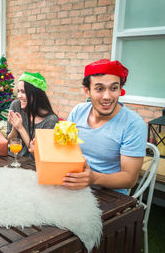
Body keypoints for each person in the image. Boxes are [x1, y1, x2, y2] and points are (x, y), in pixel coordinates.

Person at [63, 59, 147, 194]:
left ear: (120, 90)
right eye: (99, 89)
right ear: (87, 91)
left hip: (110, 195)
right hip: (74, 184)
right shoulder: (78, 111)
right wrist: (44, 148)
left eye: (114, 88)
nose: (107, 96)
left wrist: (93, 178)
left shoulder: (134, 125)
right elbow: (65, 146)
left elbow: (130, 179)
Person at [7, 72, 59, 159]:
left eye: (23, 92)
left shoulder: (51, 121)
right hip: (13, 160)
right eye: (19, 91)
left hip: (33, 167)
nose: (19, 96)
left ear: (36, 94)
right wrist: (14, 128)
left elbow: (39, 157)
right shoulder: (16, 106)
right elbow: (9, 142)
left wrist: (20, 128)